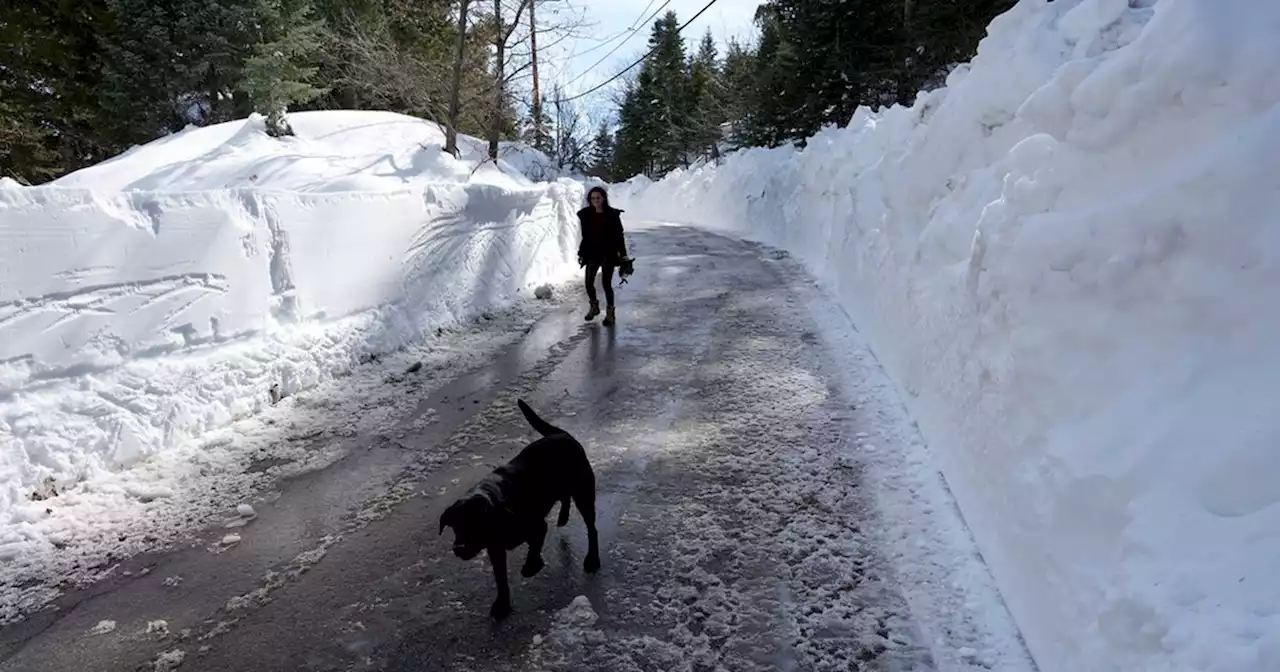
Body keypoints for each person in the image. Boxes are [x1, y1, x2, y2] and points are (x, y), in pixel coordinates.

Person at [576, 186, 628, 326]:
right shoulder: (586, 215)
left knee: (606, 284)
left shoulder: (612, 215)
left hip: (608, 253)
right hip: (592, 253)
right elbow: (585, 236)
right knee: (588, 283)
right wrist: (582, 252)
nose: (595, 200)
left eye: (598, 198)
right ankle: (594, 306)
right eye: (593, 198)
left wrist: (623, 256)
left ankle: (610, 313)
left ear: (603, 198)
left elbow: (619, 237)